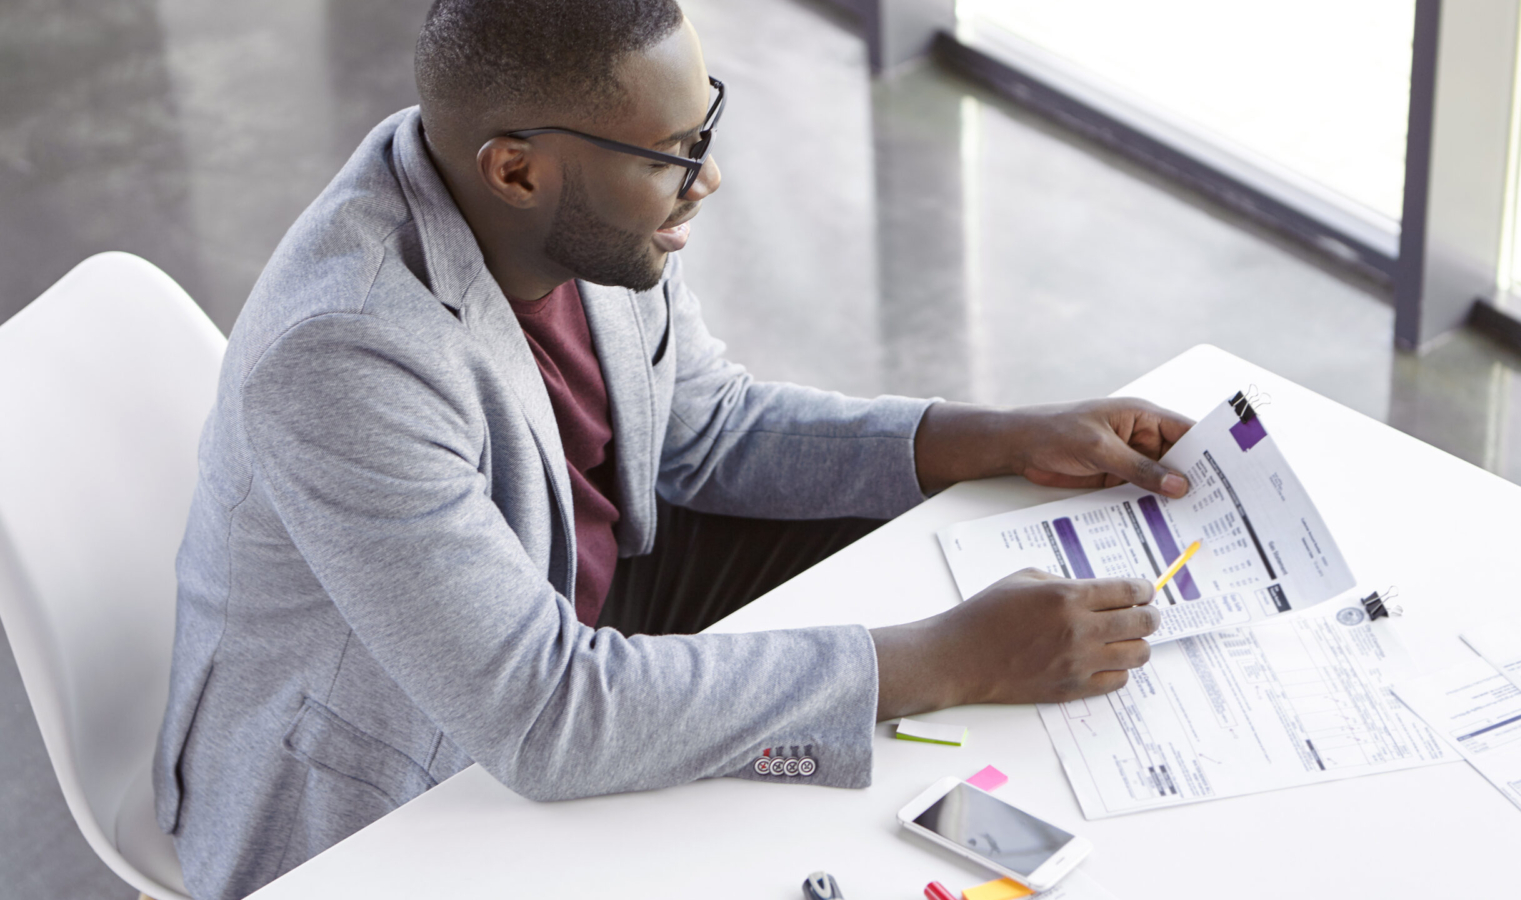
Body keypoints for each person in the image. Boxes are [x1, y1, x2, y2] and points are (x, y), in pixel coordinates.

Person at [153, 1, 1192, 897]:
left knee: (939, 532)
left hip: (575, 598)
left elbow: (704, 426)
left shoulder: (566, 207)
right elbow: (548, 717)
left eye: (705, 125)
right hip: (394, 783)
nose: (709, 177)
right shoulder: (344, 352)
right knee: (911, 682)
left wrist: (997, 434)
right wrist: (950, 658)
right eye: (674, 156)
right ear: (515, 169)